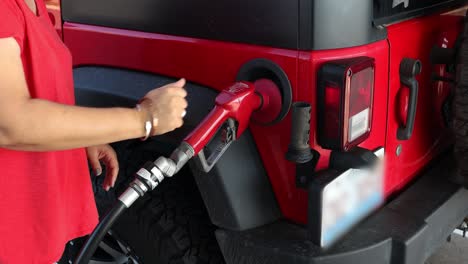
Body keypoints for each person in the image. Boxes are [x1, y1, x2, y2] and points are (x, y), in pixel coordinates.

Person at [0, 0, 188, 263]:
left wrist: (80, 139)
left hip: (31, 224)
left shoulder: (33, 5)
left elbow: (37, 84)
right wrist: (145, 119)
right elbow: (11, 123)